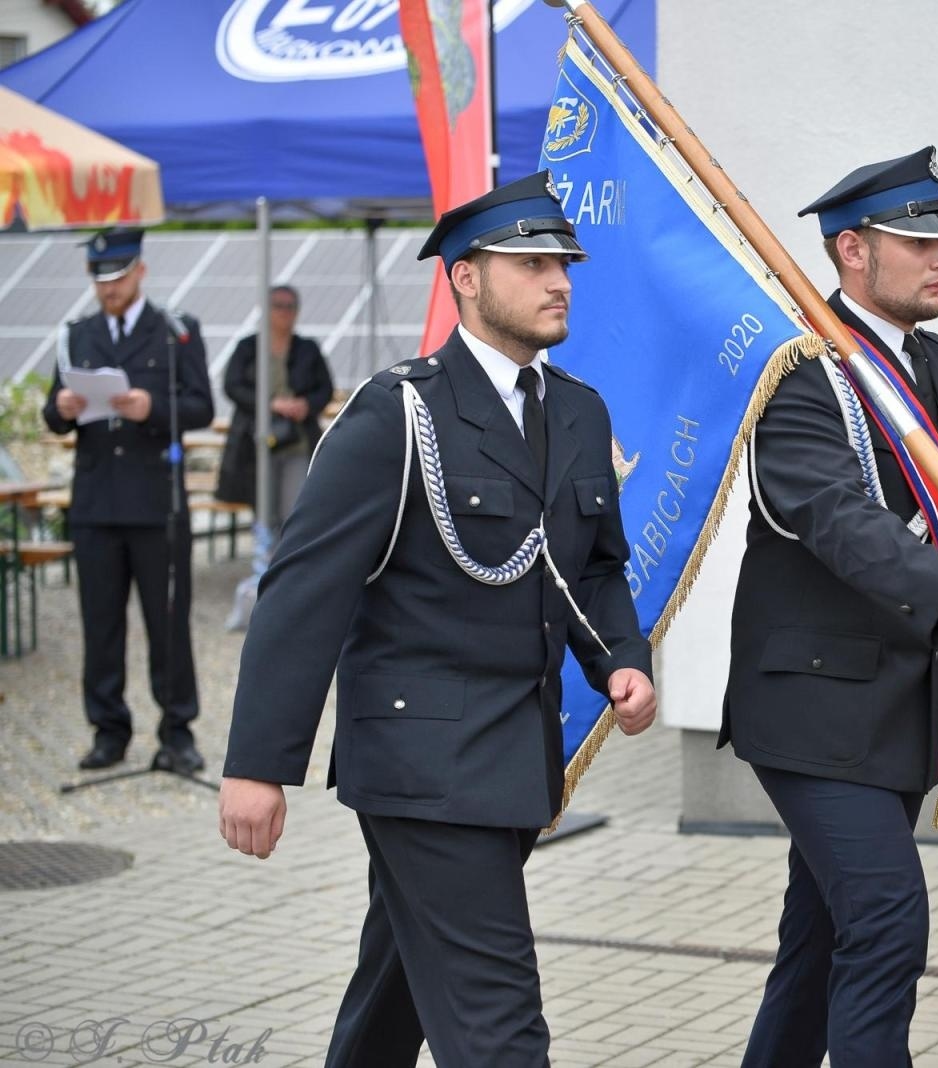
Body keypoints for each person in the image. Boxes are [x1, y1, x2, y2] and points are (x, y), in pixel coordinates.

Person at [216, 172, 656, 1068]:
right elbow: (302, 591)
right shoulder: (399, 411)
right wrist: (258, 765)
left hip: (515, 759)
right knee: (499, 1025)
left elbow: (593, 565)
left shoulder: (578, 409)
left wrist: (621, 655)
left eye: (564, 265)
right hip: (420, 763)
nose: (559, 282)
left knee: (396, 993)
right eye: (532, 265)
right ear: (465, 277)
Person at [719, 146, 938, 1067]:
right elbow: (831, 514)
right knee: (886, 920)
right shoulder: (797, 367)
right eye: (919, 242)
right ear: (853, 250)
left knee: (819, 943)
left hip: (900, 710)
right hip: (812, 706)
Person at [42, 227, 213, 774]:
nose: (107, 289)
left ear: (139, 271)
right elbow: (52, 413)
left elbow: (202, 406)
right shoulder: (78, 334)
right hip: (95, 504)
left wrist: (150, 408)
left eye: (116, 278)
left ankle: (177, 731)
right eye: (99, 280)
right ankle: (108, 730)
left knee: (168, 623)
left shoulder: (175, 331)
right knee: (100, 625)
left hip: (156, 504)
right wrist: (62, 409)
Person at [214, 284, 334, 532]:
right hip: (257, 442)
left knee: (294, 510)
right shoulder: (248, 348)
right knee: (263, 510)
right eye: (278, 306)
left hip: (297, 441)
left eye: (290, 306)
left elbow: (325, 389)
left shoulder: (308, 349)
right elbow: (232, 385)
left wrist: (306, 405)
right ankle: (266, 555)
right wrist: (270, 403)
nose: (284, 312)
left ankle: (288, 555)